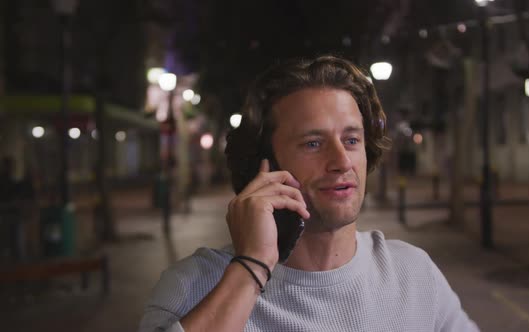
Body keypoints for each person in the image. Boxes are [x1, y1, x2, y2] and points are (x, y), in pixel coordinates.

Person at [139, 55, 479, 332]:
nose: (342, 161)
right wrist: (250, 269)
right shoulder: (193, 286)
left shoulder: (413, 274)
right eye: (313, 143)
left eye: (351, 140)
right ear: (266, 165)